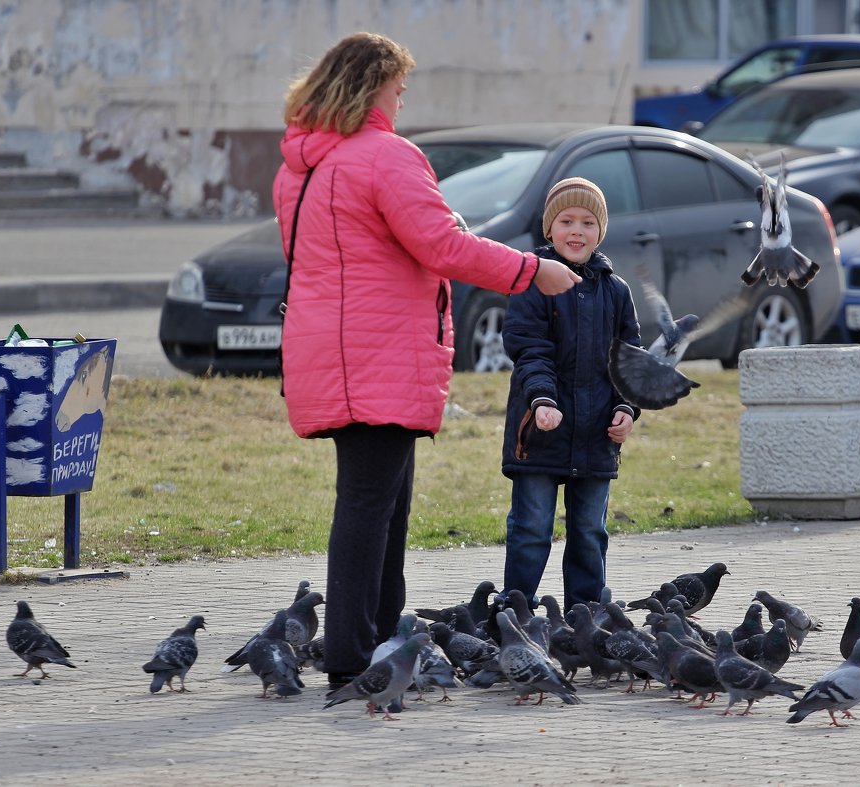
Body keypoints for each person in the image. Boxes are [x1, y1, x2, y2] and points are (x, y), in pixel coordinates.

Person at [270, 32, 581, 690]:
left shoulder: (298, 167)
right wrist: (533, 271)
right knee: (368, 503)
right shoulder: (386, 157)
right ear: (371, 85)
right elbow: (442, 245)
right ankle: (356, 655)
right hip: (378, 352)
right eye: (398, 86)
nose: (402, 98)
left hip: (329, 349)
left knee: (381, 500)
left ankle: (379, 639)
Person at [500, 177, 642, 611]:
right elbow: (529, 350)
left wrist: (626, 408)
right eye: (566, 221)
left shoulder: (617, 292)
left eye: (586, 222)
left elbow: (630, 361)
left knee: (588, 531)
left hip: (597, 435)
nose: (576, 231)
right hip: (540, 429)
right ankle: (516, 615)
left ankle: (586, 620)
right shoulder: (533, 283)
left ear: (600, 231)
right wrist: (543, 400)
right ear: (549, 229)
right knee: (532, 527)